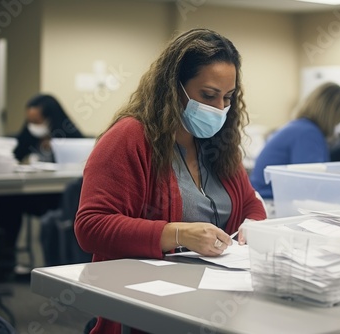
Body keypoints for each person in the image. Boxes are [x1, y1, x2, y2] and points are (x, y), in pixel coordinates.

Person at [74, 28, 267, 334]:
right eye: (208, 95)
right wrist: (178, 234)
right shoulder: (130, 137)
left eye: (227, 98)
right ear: (174, 87)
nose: (220, 109)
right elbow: (91, 226)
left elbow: (249, 204)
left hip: (217, 302)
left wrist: (253, 225)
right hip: (146, 308)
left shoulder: (219, 144)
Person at [0, 94, 84, 283]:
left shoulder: (68, 133)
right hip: (37, 193)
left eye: (37, 121)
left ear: (50, 118)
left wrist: (55, 147)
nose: (33, 125)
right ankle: (5, 262)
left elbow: (78, 162)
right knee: (6, 198)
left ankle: (61, 266)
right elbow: (15, 154)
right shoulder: (30, 134)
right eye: (30, 121)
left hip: (59, 195)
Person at [249, 82, 340, 199]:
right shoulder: (308, 133)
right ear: (333, 115)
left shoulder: (301, 127)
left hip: (270, 197)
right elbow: (311, 185)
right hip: (271, 200)